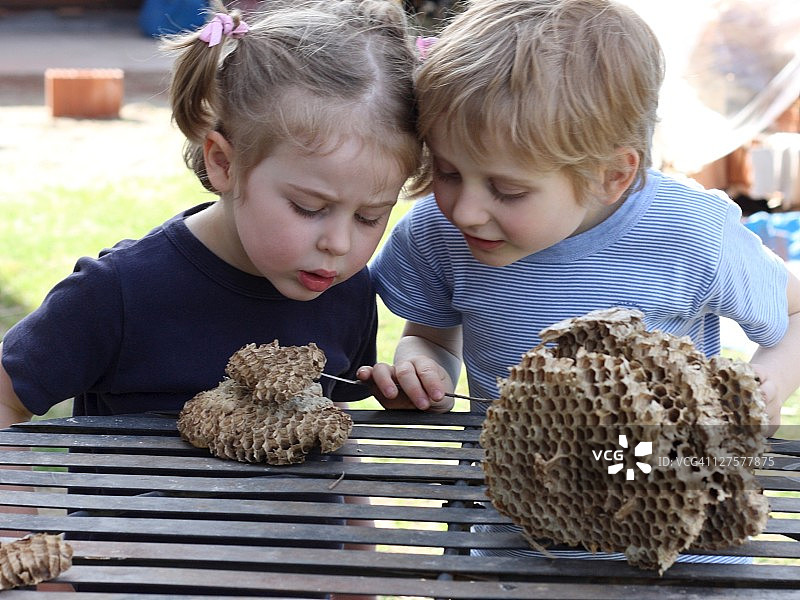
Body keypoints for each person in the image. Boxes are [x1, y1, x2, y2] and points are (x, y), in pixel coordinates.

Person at [0, 0, 420, 595]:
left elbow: (335, 446)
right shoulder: (117, 293)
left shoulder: (346, 290)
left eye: (371, 216)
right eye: (309, 207)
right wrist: (25, 552)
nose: (340, 243)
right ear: (224, 162)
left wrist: (358, 566)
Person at [359, 0, 800, 563]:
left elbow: (795, 314)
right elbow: (431, 338)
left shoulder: (689, 232)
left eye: (507, 190)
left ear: (611, 176)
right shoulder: (441, 234)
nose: (465, 209)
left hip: (677, 518)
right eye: (447, 171)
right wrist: (424, 373)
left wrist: (767, 387)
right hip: (514, 520)